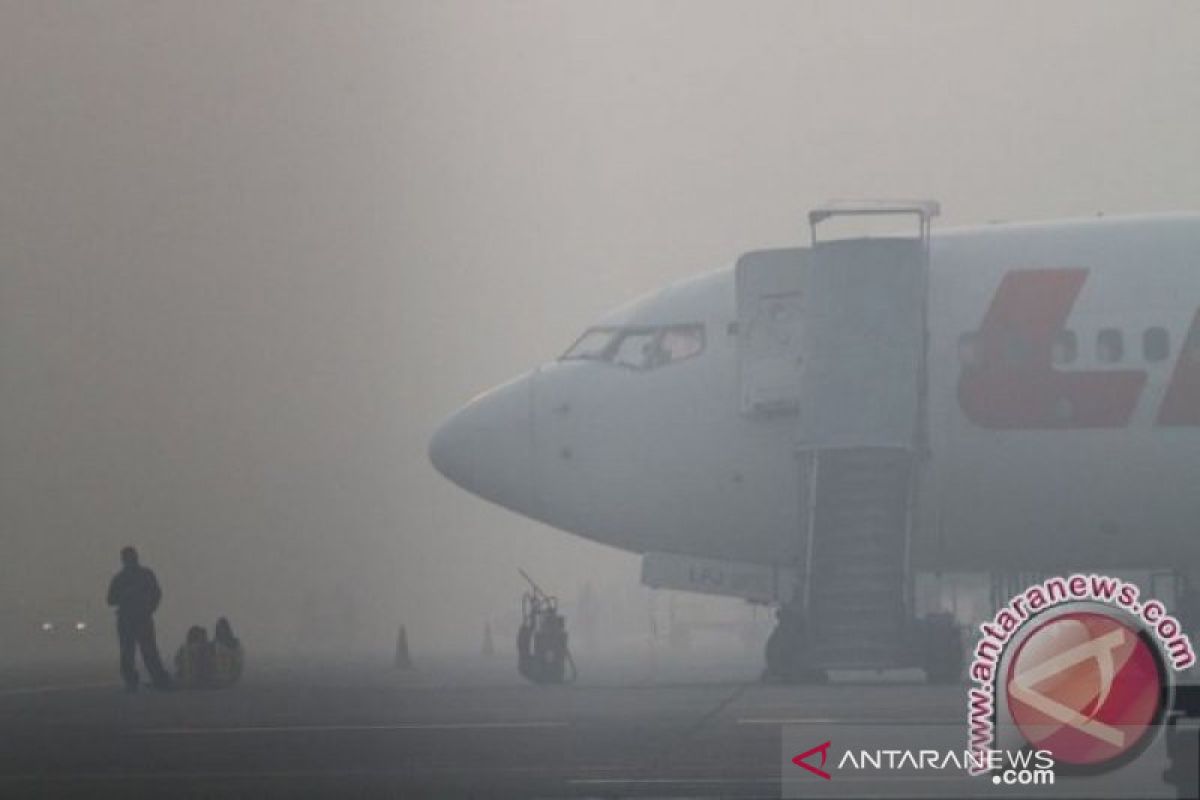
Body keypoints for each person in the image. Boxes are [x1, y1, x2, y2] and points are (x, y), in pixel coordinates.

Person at [106, 546, 172, 691]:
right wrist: (126, 596)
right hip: (131, 619)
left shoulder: (141, 575)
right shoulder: (126, 578)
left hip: (140, 618)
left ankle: (154, 680)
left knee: (146, 651)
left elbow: (156, 594)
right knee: (131, 652)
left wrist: (149, 608)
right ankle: (141, 681)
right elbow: (110, 599)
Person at [211, 617, 244, 688]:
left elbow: (239, 661)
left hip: (230, 675)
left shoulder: (235, 644)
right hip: (218, 675)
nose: (221, 630)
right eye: (219, 628)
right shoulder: (214, 644)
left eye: (222, 628)